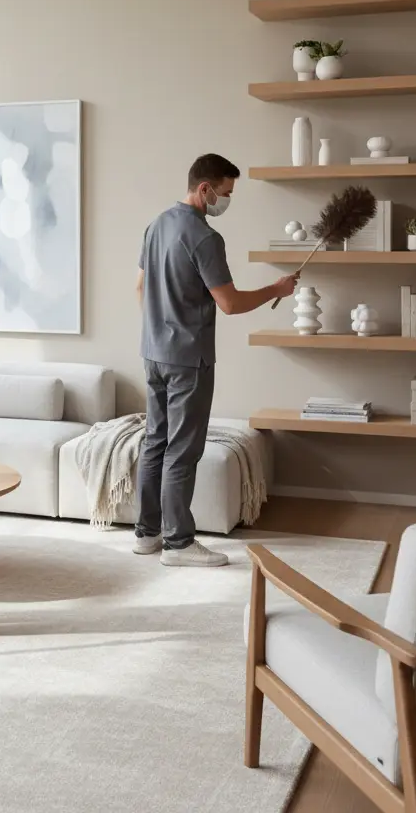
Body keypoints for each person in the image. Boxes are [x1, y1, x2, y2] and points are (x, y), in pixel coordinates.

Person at [134, 154, 297, 567]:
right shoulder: (205, 238)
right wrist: (276, 289)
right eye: (225, 193)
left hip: (153, 352)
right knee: (182, 449)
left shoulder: (156, 225)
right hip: (188, 358)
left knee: (156, 441)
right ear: (204, 189)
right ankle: (178, 544)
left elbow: (140, 286)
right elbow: (230, 302)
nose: (227, 201)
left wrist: (159, 326)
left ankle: (147, 534)